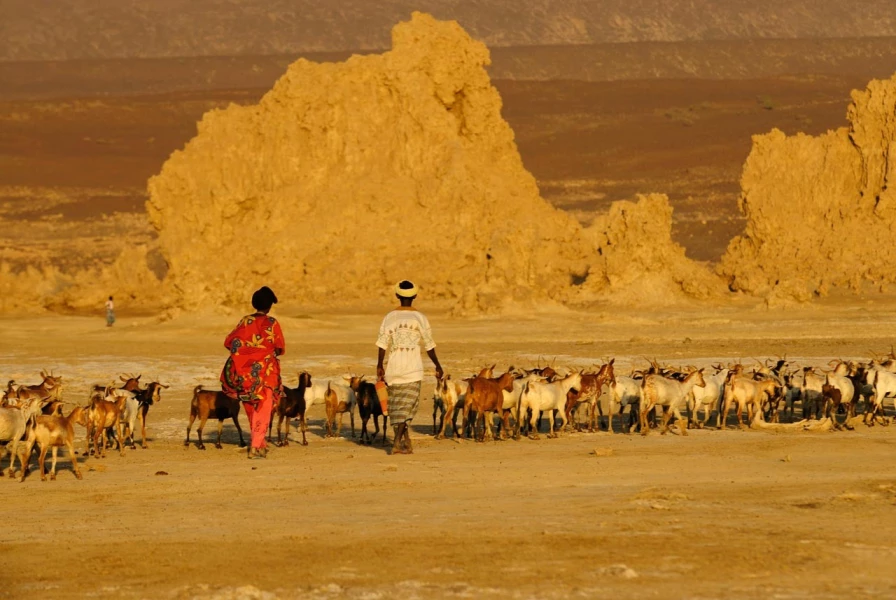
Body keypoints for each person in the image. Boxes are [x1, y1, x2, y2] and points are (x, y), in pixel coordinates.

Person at [376, 280, 443, 455]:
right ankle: (397, 443)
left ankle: (406, 442)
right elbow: (429, 346)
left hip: (394, 369)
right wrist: (438, 365)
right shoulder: (420, 318)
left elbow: (382, 344)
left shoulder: (390, 317)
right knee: (407, 408)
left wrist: (379, 365)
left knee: (397, 407)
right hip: (413, 369)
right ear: (415, 296)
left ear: (397, 295)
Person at [220, 286, 285, 458]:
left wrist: (246, 354)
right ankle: (255, 446)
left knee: (251, 408)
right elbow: (279, 347)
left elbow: (229, 342)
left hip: (243, 374)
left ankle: (260, 443)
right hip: (266, 373)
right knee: (264, 408)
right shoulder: (272, 323)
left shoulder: (244, 321)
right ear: (269, 306)